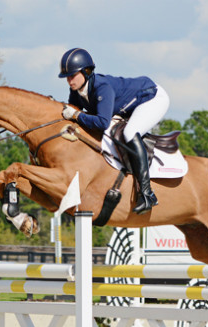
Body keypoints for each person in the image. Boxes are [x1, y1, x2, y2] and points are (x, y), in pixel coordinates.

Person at [58, 47, 170, 214]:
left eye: (73, 76)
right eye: (67, 77)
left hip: (152, 98)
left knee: (130, 132)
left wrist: (76, 114)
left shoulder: (102, 87)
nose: (69, 80)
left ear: (86, 71)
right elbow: (73, 114)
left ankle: (147, 194)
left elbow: (102, 122)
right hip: (128, 106)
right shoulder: (77, 91)